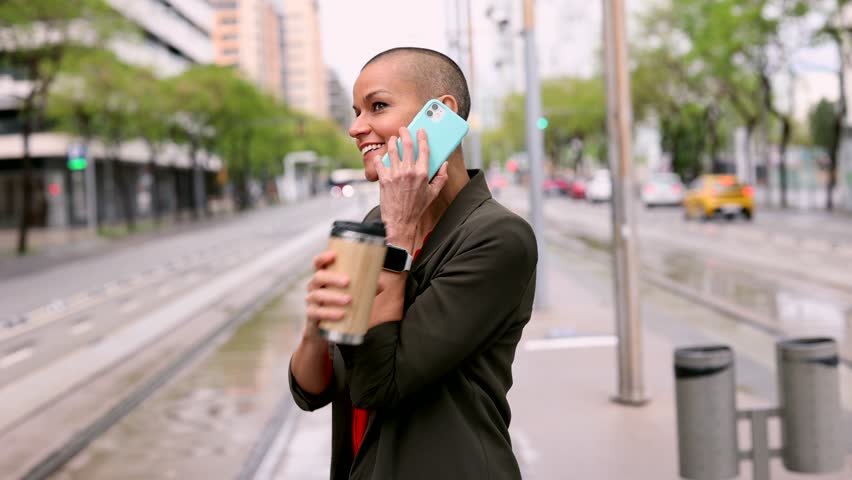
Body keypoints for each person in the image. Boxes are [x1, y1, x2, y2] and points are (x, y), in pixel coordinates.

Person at [288, 47, 538, 480]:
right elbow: (313, 391)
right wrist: (316, 330)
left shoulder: (498, 238)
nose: (356, 127)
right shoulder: (374, 223)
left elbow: (377, 386)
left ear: (440, 114)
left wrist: (398, 235)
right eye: (355, 111)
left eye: (377, 106)